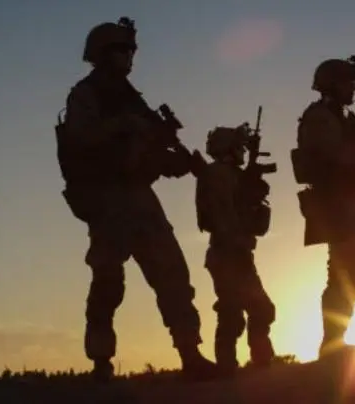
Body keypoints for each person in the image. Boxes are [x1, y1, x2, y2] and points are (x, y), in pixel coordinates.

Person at [55, 16, 217, 381]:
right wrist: (126, 125)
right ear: (104, 53)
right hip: (107, 198)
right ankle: (101, 362)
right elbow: (82, 138)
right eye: (123, 50)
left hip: (140, 197)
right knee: (108, 281)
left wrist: (182, 163)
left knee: (172, 274)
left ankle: (190, 353)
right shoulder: (86, 94)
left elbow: (153, 155)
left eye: (131, 50)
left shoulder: (132, 98)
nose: (130, 57)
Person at [290, 55, 355, 359]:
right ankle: (332, 344)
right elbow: (335, 155)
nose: (353, 88)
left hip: (349, 203)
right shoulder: (320, 116)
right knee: (348, 271)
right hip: (334, 203)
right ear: (331, 83)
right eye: (348, 82)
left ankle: (335, 341)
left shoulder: (342, 117)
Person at [195, 125, 276, 377]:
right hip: (227, 252)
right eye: (239, 147)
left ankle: (257, 360)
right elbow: (223, 214)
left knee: (257, 308)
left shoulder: (229, 175)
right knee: (234, 311)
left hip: (236, 252)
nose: (242, 152)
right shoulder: (218, 175)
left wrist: (252, 188)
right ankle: (230, 365)